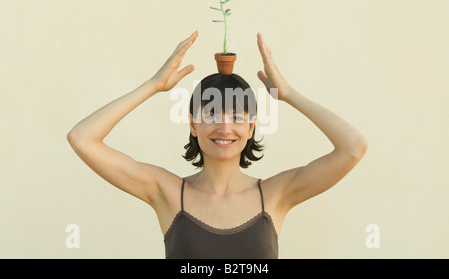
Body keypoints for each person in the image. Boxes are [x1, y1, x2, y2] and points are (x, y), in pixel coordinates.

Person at [67, 32, 368, 258]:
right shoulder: (167, 191)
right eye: (212, 114)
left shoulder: (277, 194)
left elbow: (353, 147)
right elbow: (82, 139)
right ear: (193, 124)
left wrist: (287, 93)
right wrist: (153, 86)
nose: (225, 127)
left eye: (237, 116)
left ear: (251, 127)